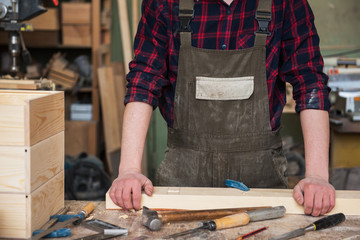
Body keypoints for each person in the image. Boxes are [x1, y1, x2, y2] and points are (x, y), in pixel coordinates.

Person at [109, 0, 335, 217]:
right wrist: (129, 170)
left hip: (261, 176)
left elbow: (310, 83)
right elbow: (143, 81)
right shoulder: (165, 3)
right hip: (184, 174)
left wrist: (317, 176)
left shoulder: (285, 3)